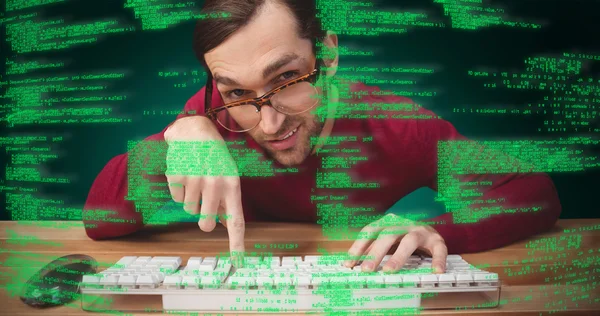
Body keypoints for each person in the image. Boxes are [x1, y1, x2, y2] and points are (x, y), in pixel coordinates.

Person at [83, 0, 562, 273]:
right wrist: (175, 136)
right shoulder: (214, 116)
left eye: (286, 80)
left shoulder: (394, 123)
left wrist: (436, 232)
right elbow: (100, 221)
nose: (268, 124)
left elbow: (533, 192)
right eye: (236, 92)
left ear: (327, 57)